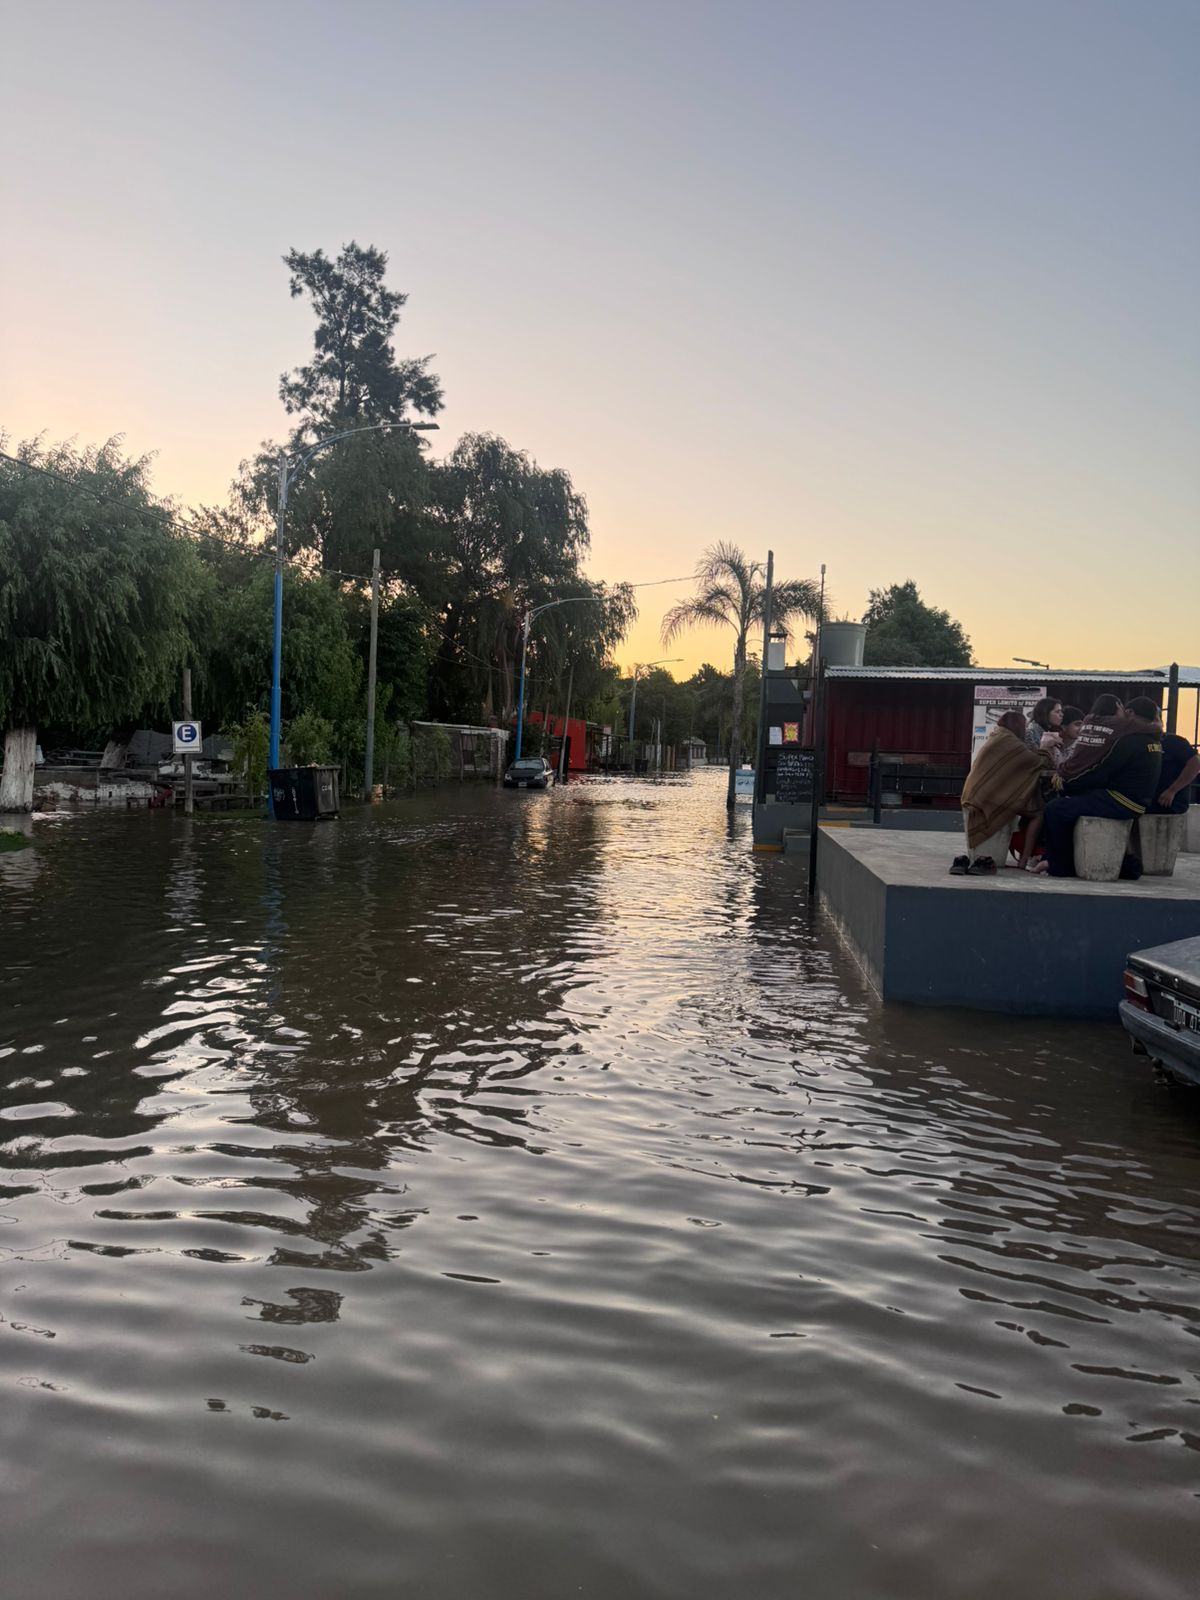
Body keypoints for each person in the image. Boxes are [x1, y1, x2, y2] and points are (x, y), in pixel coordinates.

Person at [1040, 695, 1163, 876]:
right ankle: (1123, 865)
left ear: (1129, 712)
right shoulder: (1153, 740)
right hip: (1133, 801)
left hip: (1119, 800)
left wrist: (1067, 785)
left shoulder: (1129, 740)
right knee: (1073, 804)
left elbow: (1101, 771)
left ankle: (1061, 867)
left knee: (1056, 809)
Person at [952, 711, 1049, 875]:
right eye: (1024, 726)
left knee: (1029, 804)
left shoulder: (997, 736)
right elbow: (1036, 762)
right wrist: (1046, 748)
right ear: (1017, 726)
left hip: (975, 794)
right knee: (1038, 812)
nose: (1025, 729)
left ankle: (1020, 859)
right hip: (986, 799)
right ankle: (1023, 860)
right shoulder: (1010, 741)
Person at [1151, 718, 1200, 814]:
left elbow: (1195, 763)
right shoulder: (1139, 742)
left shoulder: (1173, 741)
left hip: (1170, 803)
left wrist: (1172, 790)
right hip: (1147, 801)